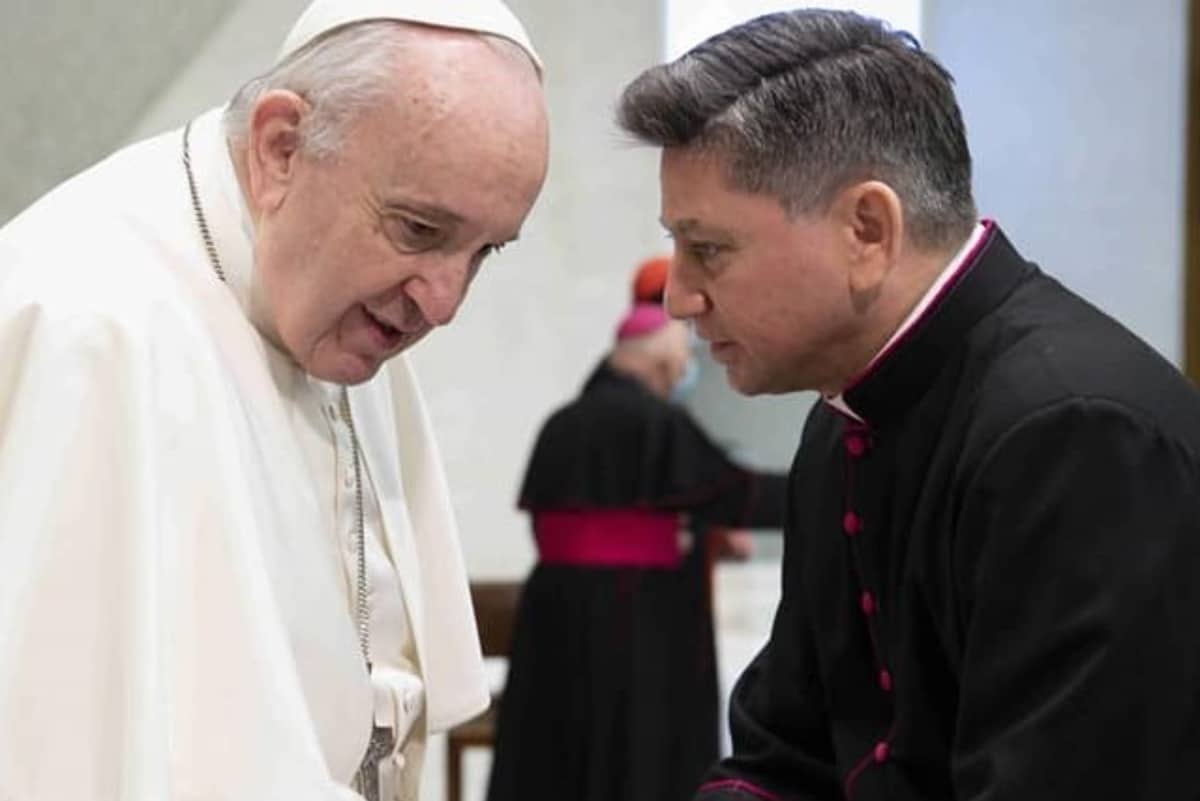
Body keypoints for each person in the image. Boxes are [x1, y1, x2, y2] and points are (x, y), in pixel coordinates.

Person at [616, 9, 1200, 801]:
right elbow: (784, 756)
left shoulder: (1076, 434)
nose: (680, 296)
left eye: (708, 248)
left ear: (867, 229)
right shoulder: (840, 423)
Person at [0, 1, 548, 799]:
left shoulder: (331, 303)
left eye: (484, 251)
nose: (444, 302)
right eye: (421, 229)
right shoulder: (85, 324)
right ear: (281, 148)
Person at [486, 300, 787, 801]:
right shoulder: (657, 423)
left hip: (556, 623)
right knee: (640, 763)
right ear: (663, 359)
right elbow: (734, 495)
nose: (685, 372)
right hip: (642, 625)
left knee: (554, 760)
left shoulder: (562, 423)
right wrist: (820, 485)